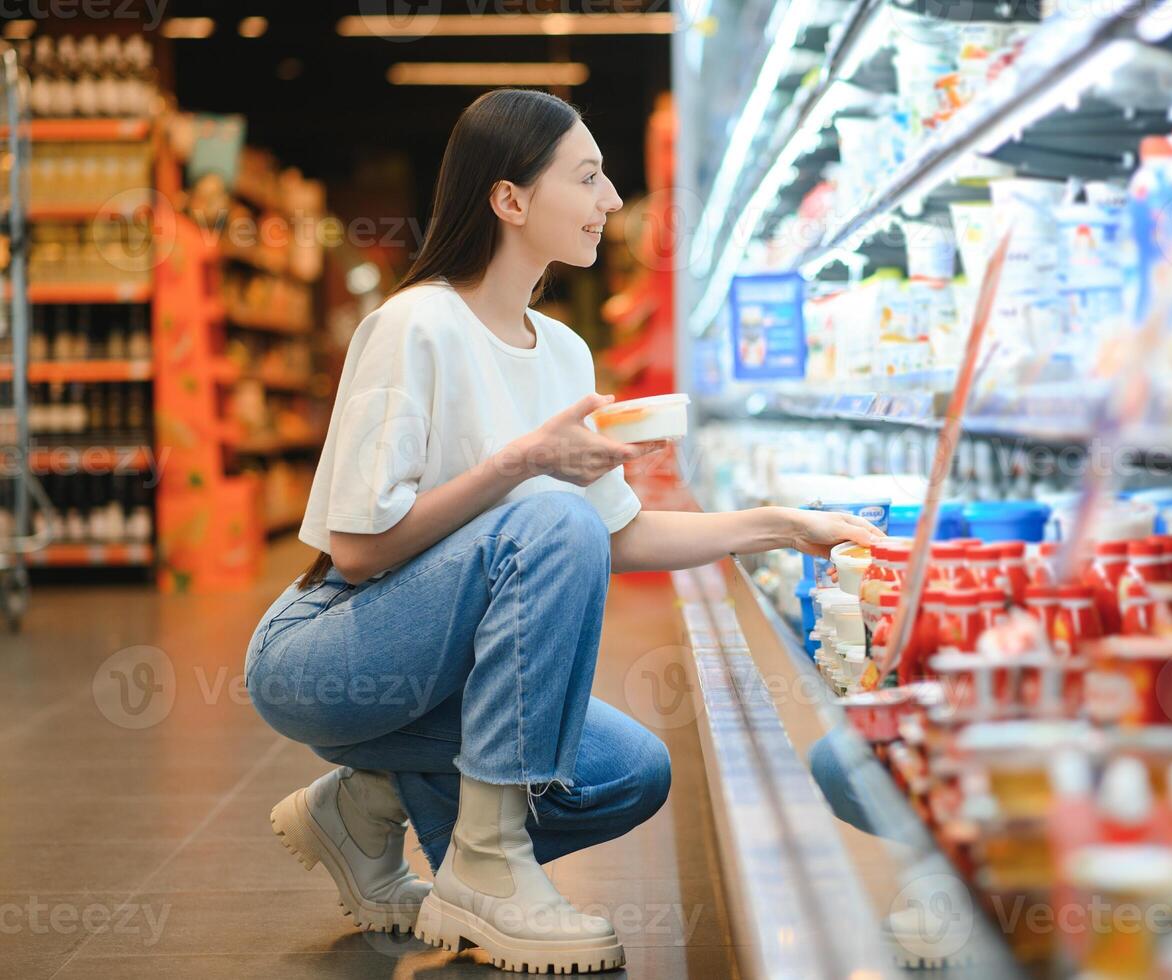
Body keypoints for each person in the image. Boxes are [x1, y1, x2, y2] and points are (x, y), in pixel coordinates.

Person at [243, 88, 880, 974]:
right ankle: (490, 865)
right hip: (330, 652)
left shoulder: (566, 353)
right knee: (544, 516)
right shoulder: (414, 324)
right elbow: (357, 550)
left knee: (630, 771)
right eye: (587, 178)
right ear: (509, 200)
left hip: (438, 677)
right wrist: (524, 463)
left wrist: (780, 524)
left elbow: (614, 540)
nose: (613, 201)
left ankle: (364, 805)